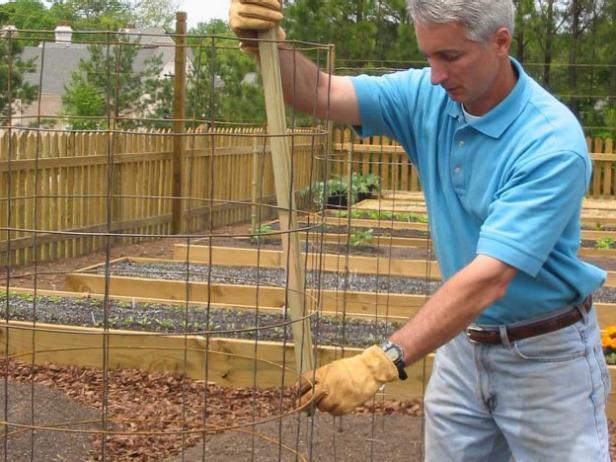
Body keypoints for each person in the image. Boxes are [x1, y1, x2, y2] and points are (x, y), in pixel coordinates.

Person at [229, 0, 611, 460]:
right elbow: (320, 92)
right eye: (428, 56)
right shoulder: (428, 96)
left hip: (546, 359)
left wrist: (382, 360)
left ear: (500, 41)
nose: (435, 74)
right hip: (462, 348)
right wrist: (267, 46)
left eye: (450, 57)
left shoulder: (549, 142)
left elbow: (489, 278)